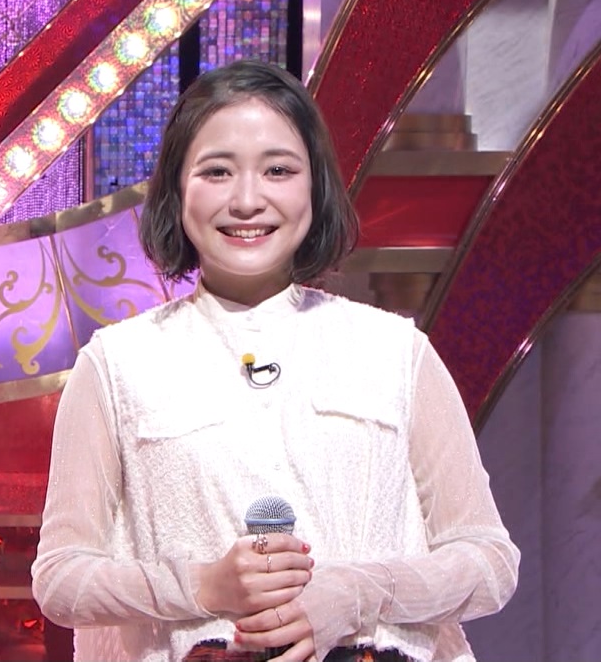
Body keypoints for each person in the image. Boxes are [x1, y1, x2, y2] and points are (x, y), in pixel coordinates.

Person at [31, 60, 518, 662]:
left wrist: (356, 594)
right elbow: (61, 578)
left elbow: (488, 560)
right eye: (217, 171)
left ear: (315, 188)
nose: (247, 200)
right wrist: (202, 586)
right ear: (177, 190)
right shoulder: (116, 363)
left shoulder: (395, 350)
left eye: (279, 170)